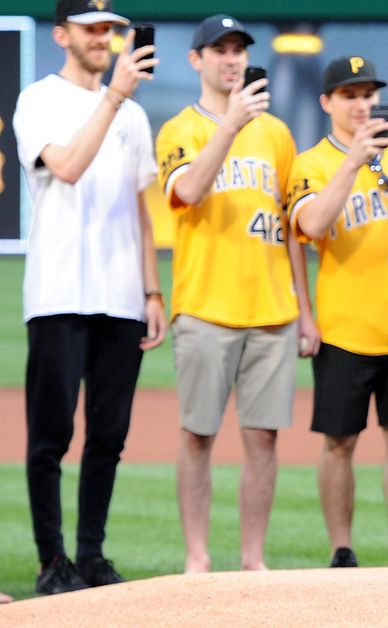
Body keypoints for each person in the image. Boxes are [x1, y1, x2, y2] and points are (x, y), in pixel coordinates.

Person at [12, 0, 164, 595]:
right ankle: (53, 561)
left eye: (110, 29)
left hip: (121, 295)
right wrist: (114, 98)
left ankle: (91, 556)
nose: (104, 37)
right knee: (50, 436)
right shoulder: (39, 100)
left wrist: (152, 289)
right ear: (61, 36)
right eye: (91, 28)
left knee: (109, 436)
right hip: (59, 291)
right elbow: (68, 167)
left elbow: (141, 209)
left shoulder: (133, 114)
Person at [156, 14, 310, 573]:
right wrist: (230, 125)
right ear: (195, 60)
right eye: (218, 50)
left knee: (263, 438)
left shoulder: (276, 134)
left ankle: (253, 560)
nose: (231, 59)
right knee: (198, 434)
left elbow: (291, 226)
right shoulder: (180, 129)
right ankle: (197, 557)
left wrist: (304, 309)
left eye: (238, 50)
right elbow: (189, 191)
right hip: (205, 306)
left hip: (272, 310)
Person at [286, 56, 388, 568]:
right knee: (339, 442)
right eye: (349, 95)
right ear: (326, 102)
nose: (361, 104)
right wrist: (353, 161)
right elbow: (311, 225)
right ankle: (341, 550)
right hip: (344, 328)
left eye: (368, 94)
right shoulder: (311, 164)